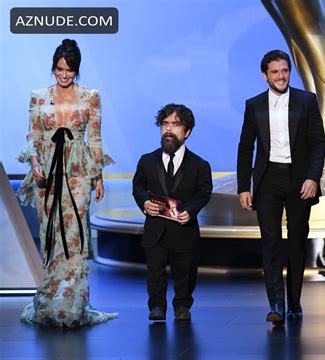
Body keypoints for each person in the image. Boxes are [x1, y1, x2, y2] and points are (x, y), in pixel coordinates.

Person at [17, 39, 118, 328]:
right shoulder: (38, 96)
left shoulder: (91, 96)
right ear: (53, 67)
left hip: (78, 171)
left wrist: (99, 177)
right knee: (51, 237)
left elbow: (95, 139)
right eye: (60, 69)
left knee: (73, 237)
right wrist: (35, 164)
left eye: (70, 70)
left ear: (77, 69)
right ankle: (50, 303)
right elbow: (33, 137)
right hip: (46, 172)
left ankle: (72, 306)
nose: (64, 74)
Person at [237, 50, 325, 325]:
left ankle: (295, 301)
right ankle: (276, 303)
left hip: (299, 179)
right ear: (265, 76)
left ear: (290, 72)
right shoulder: (254, 105)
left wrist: (313, 177)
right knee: (270, 242)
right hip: (267, 180)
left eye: (284, 70)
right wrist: (244, 186)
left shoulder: (306, 100)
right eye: (274, 72)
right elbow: (245, 146)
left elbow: (318, 142)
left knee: (297, 242)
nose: (280, 76)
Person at [133, 104, 212, 322]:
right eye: (165, 124)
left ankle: (182, 306)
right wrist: (144, 202)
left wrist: (191, 210)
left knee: (185, 271)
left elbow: (203, 193)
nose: (169, 129)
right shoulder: (147, 160)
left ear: (187, 132)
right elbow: (138, 186)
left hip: (183, 228)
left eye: (176, 125)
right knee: (155, 271)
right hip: (155, 228)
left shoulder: (200, 165)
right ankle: (156, 307)